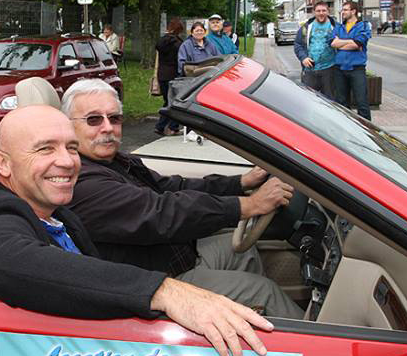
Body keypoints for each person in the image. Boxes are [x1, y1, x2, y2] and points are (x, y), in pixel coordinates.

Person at [0, 105, 277, 356]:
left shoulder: (56, 212)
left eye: (71, 148)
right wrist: (166, 291)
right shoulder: (0, 212)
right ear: (4, 164)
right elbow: (0, 261)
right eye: (45, 149)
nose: (67, 161)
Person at [62, 80, 303, 319]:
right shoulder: (82, 181)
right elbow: (161, 212)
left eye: (114, 118)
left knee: (239, 251)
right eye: (94, 119)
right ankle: (311, 342)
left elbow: (172, 187)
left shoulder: (118, 161)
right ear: (67, 126)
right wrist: (248, 205)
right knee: (264, 292)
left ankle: (250, 326)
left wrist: (241, 182)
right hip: (157, 284)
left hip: (174, 257)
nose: (107, 127)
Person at [329, 0, 372, 120]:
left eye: (345, 10)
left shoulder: (363, 26)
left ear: (353, 11)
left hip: (356, 69)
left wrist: (341, 44)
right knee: (342, 103)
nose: (343, 12)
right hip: (339, 69)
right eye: (342, 10)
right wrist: (350, 42)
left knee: (361, 101)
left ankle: (366, 128)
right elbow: (332, 43)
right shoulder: (338, 27)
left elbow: (358, 43)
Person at [293, 1, 337, 98]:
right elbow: (298, 44)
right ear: (314, 12)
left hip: (329, 69)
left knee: (330, 100)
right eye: (318, 11)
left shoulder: (336, 27)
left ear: (328, 12)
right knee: (309, 99)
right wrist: (303, 58)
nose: (321, 13)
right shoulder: (306, 27)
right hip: (310, 69)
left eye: (324, 10)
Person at [154, 18, 184, 136]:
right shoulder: (178, 43)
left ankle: (161, 126)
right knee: (176, 102)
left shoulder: (161, 41)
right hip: (173, 74)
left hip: (162, 74)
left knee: (167, 101)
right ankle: (171, 126)